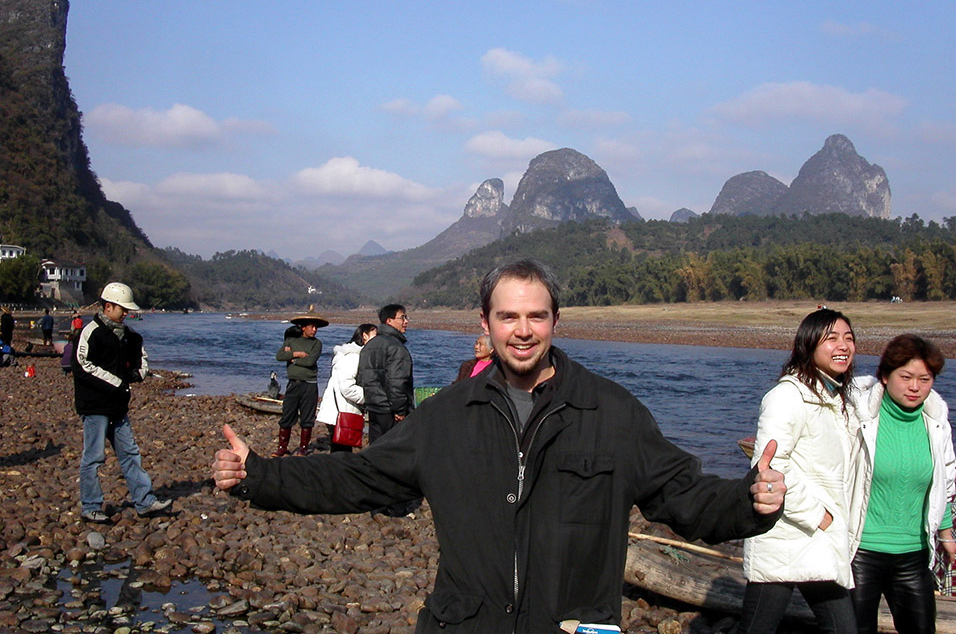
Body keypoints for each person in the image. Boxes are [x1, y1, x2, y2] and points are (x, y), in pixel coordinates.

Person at [213, 259, 786, 633]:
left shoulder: (612, 412)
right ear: (485, 323)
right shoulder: (448, 416)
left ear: (556, 321)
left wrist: (748, 502)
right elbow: (360, 478)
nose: (523, 329)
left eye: (536, 316)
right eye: (507, 316)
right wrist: (259, 476)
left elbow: (682, 494)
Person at [738, 308, 858, 633]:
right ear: (809, 345)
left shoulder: (834, 398)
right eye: (831, 338)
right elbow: (769, 465)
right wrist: (819, 516)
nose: (843, 346)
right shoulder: (787, 396)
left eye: (848, 338)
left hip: (818, 542)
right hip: (787, 538)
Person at [848, 334, 956, 634]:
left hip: (914, 554)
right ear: (884, 376)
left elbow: (943, 483)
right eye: (906, 377)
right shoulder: (860, 418)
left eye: (924, 379)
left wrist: (947, 535)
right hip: (861, 554)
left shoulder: (936, 424)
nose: (914, 387)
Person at [73, 282, 171, 523]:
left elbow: (141, 360)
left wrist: (137, 375)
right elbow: (82, 365)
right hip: (95, 407)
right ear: (108, 307)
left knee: (130, 454)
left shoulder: (128, 335)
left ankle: (145, 501)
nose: (126, 313)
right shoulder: (91, 332)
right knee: (93, 457)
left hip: (117, 407)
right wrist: (116, 382)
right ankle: (91, 506)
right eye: (122, 309)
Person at [273, 306, 327, 457]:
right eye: (312, 327)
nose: (315, 330)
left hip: (309, 384)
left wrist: (294, 360)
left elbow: (310, 361)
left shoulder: (317, 344)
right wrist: (296, 353)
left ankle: (303, 447)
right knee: (287, 416)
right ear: (303, 327)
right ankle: (282, 447)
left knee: (307, 418)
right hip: (294, 383)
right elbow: (279, 356)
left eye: (316, 327)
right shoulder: (291, 341)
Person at [317, 323, 377, 452]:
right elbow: (347, 387)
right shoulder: (352, 357)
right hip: (341, 412)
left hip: (340, 410)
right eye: (375, 336)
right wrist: (369, 396)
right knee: (342, 450)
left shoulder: (352, 355)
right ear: (365, 336)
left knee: (341, 448)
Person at [358, 304, 414, 442]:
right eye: (402, 318)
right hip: (389, 410)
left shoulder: (369, 345)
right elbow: (397, 381)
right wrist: (400, 409)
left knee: (375, 448)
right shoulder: (396, 347)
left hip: (373, 406)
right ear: (389, 321)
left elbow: (362, 377)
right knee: (393, 451)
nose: (406, 321)